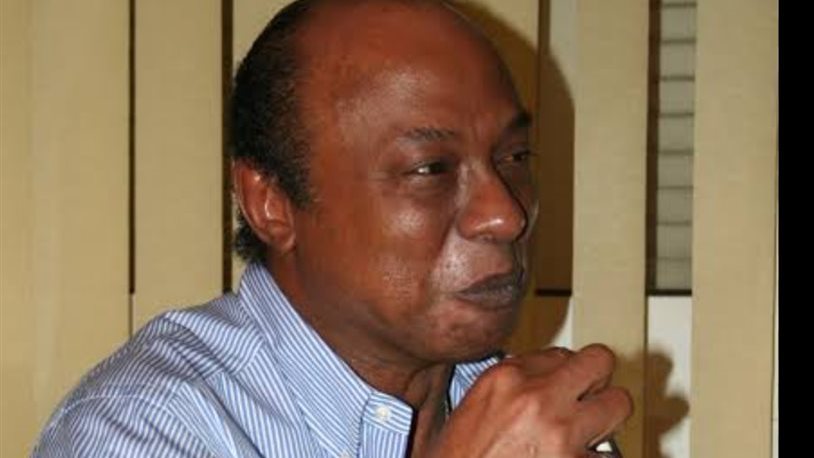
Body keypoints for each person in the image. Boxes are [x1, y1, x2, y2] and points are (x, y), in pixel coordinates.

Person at [33, 0, 632, 456]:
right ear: (271, 203)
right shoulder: (140, 430)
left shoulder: (518, 407)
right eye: (430, 169)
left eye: (515, 157)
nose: (505, 213)